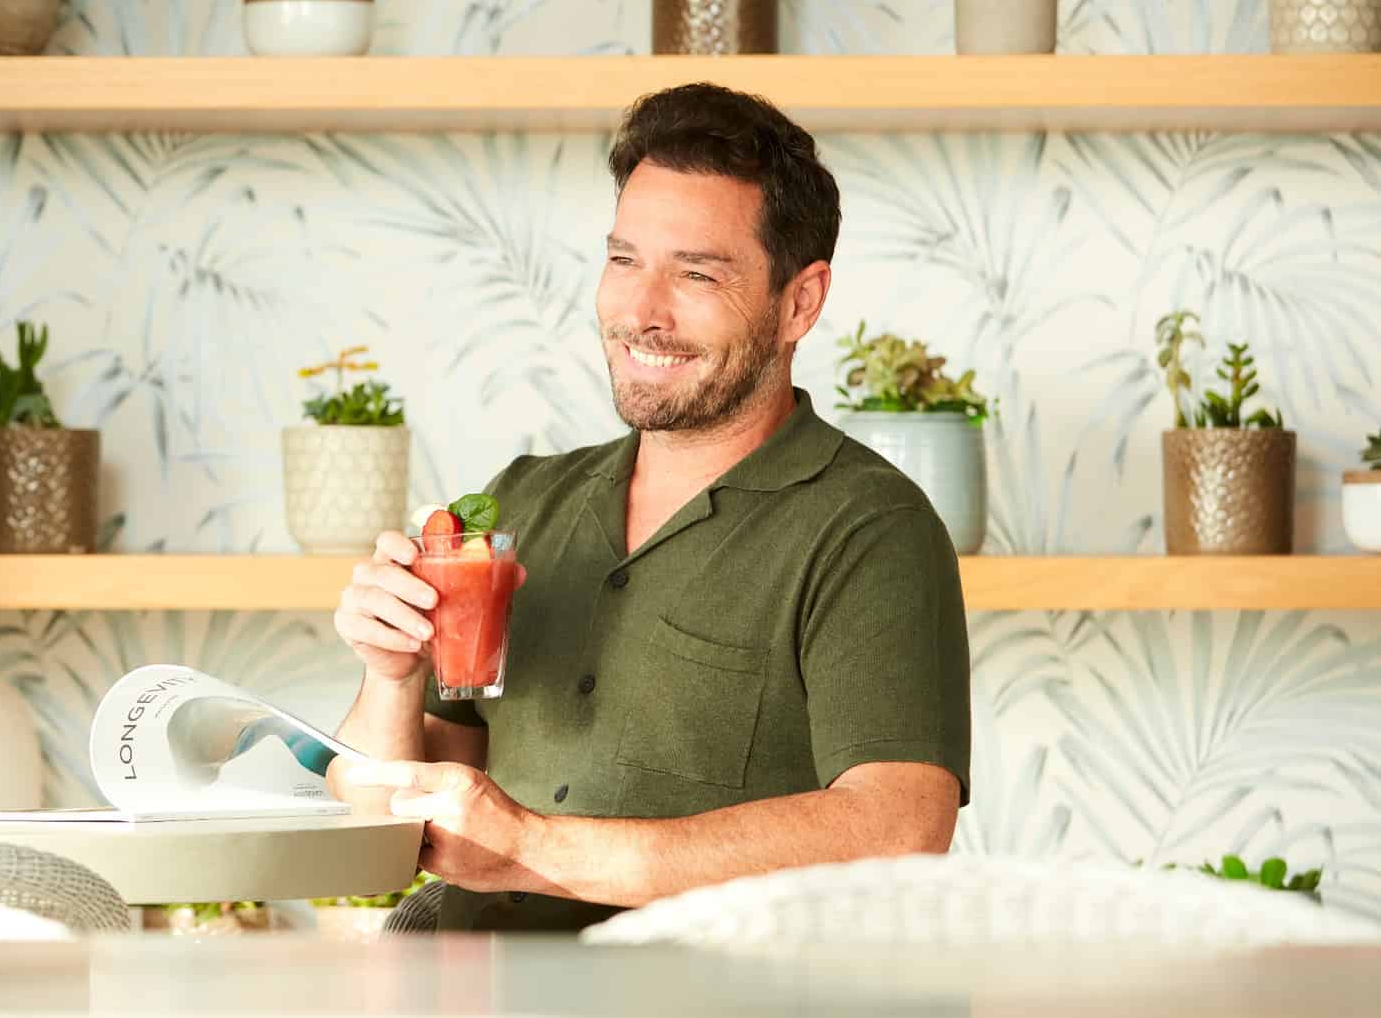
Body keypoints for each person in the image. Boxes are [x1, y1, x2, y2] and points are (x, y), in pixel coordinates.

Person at [327, 82, 970, 932]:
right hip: (472, 1013)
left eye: (696, 273)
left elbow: (898, 827)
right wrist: (390, 677)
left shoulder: (869, 528)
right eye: (624, 260)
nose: (639, 313)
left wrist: (533, 846)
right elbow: (386, 811)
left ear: (799, 303)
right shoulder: (523, 500)